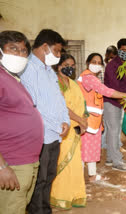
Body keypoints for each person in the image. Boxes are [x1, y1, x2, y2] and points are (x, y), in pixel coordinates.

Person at [20, 29, 70, 214]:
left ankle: (44, 210)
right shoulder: (28, 70)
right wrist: (57, 126)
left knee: (49, 176)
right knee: (38, 181)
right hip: (39, 136)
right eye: (56, 51)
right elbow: (34, 106)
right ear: (44, 47)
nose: (58, 56)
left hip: (54, 135)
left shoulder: (49, 71)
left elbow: (59, 100)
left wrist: (65, 121)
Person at [0, 31, 43, 214]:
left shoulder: (13, 79)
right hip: (11, 163)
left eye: (24, 51)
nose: (19, 54)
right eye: (13, 49)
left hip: (28, 161)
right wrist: (1, 166)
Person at [79, 52, 126, 178]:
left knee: (91, 147)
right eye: (94, 62)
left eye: (99, 63)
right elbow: (107, 91)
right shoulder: (88, 78)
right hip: (87, 120)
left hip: (93, 120)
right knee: (87, 148)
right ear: (87, 63)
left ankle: (91, 174)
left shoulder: (92, 78)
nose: (97, 65)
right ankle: (85, 177)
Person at [50, 54, 88, 209]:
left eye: (73, 65)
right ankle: (60, 196)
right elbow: (61, 106)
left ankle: (76, 196)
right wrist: (80, 119)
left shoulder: (74, 84)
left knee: (75, 164)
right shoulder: (54, 83)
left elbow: (82, 104)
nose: (70, 68)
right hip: (62, 128)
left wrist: (84, 120)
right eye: (67, 64)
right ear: (58, 66)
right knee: (63, 162)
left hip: (77, 128)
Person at [103, 38, 126, 172]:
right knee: (113, 131)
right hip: (111, 101)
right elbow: (115, 88)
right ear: (118, 50)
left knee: (114, 132)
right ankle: (117, 161)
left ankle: (111, 158)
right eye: (123, 50)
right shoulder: (112, 65)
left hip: (121, 102)